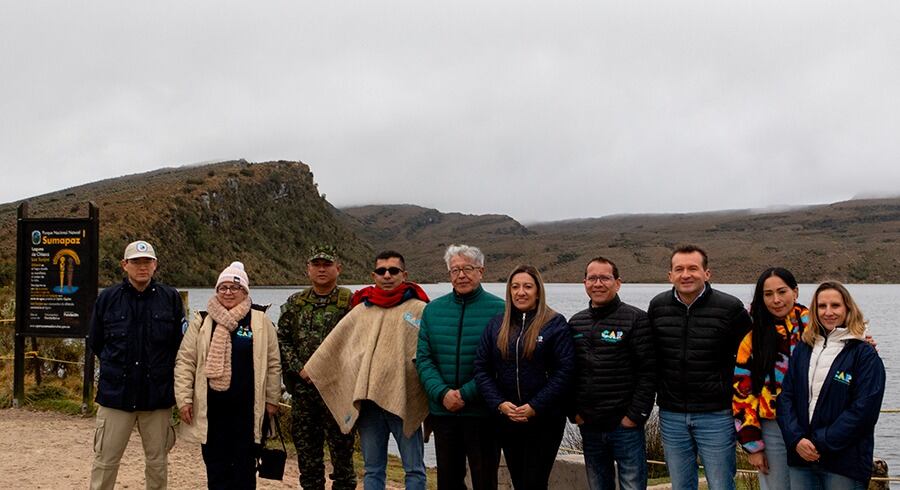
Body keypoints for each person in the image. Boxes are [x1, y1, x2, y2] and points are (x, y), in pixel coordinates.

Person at [304, 250, 430, 490]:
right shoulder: (362, 309)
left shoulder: (419, 309)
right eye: (381, 271)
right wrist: (313, 368)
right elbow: (337, 343)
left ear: (404, 274)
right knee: (373, 469)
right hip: (369, 402)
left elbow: (430, 351)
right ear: (374, 275)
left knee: (414, 469)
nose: (387, 275)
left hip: (403, 399)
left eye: (393, 271)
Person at [647, 244, 751, 490]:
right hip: (671, 414)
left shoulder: (730, 308)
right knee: (681, 484)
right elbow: (649, 355)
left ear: (707, 273)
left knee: (721, 484)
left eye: (693, 268)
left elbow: (751, 355)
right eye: (679, 269)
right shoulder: (657, 306)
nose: (686, 274)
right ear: (670, 275)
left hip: (717, 414)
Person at [87, 240, 186, 490]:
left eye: (147, 262)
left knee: (157, 463)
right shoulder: (107, 299)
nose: (142, 267)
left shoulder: (171, 298)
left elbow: (180, 345)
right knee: (105, 462)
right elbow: (96, 342)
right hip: (115, 397)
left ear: (155, 265)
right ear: (125, 265)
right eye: (136, 262)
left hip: (157, 398)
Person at [174, 261, 282, 489]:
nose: (228, 292)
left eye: (235, 288)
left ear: (245, 292)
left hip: (247, 412)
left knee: (244, 472)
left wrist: (272, 399)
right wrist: (183, 398)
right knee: (216, 470)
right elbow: (185, 361)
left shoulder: (260, 321)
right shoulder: (202, 321)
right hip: (212, 412)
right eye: (222, 287)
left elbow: (273, 363)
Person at [474, 264, 574, 490]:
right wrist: (499, 404)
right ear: (509, 291)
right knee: (519, 480)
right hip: (508, 418)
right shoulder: (496, 325)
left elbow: (565, 371)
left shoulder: (554, 323)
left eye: (528, 286)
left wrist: (535, 405)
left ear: (538, 290)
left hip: (544, 419)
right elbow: (481, 368)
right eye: (515, 287)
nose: (521, 292)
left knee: (534, 482)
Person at [777, 281, 885, 488]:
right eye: (821, 306)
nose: (828, 312)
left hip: (844, 463)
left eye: (835, 305)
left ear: (848, 308)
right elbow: (786, 397)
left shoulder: (864, 354)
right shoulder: (803, 348)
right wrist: (796, 439)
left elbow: (864, 411)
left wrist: (820, 441)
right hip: (801, 458)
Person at [416, 244, 505, 490]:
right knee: (448, 481)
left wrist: (464, 394)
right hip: (443, 413)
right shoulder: (433, 310)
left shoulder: (500, 310)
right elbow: (424, 359)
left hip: (483, 413)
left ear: (481, 271)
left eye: (467, 268)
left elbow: (500, 363)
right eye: (455, 270)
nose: (461, 275)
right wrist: (442, 394)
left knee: (485, 480)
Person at [568, 257, 655, 490]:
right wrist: (573, 412)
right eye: (592, 278)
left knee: (632, 486)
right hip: (590, 426)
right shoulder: (575, 323)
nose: (598, 283)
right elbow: (568, 372)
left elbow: (648, 371)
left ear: (617, 283)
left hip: (624, 426)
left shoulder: (636, 319)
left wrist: (635, 416)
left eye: (605, 277)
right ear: (584, 283)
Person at [277, 245, 356, 490]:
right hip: (304, 393)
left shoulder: (351, 303)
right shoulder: (296, 303)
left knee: (343, 464)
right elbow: (282, 339)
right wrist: (300, 368)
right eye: (316, 265)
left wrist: (331, 371)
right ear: (308, 269)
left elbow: (359, 342)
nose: (322, 269)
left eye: (327, 265)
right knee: (309, 465)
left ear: (338, 269)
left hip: (338, 393)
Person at [732, 268, 808, 489]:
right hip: (772, 428)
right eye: (768, 294)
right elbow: (741, 393)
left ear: (795, 291)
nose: (776, 300)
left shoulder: (817, 329)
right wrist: (753, 445)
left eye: (782, 291)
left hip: (812, 424)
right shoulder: (752, 339)